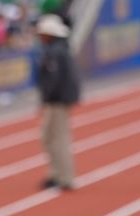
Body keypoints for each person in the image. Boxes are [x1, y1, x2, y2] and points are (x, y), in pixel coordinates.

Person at [35, 15, 80, 192]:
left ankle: (64, 177)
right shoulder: (59, 49)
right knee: (50, 137)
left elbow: (53, 79)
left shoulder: (55, 52)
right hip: (58, 99)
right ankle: (57, 174)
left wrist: (45, 99)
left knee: (58, 138)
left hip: (57, 100)